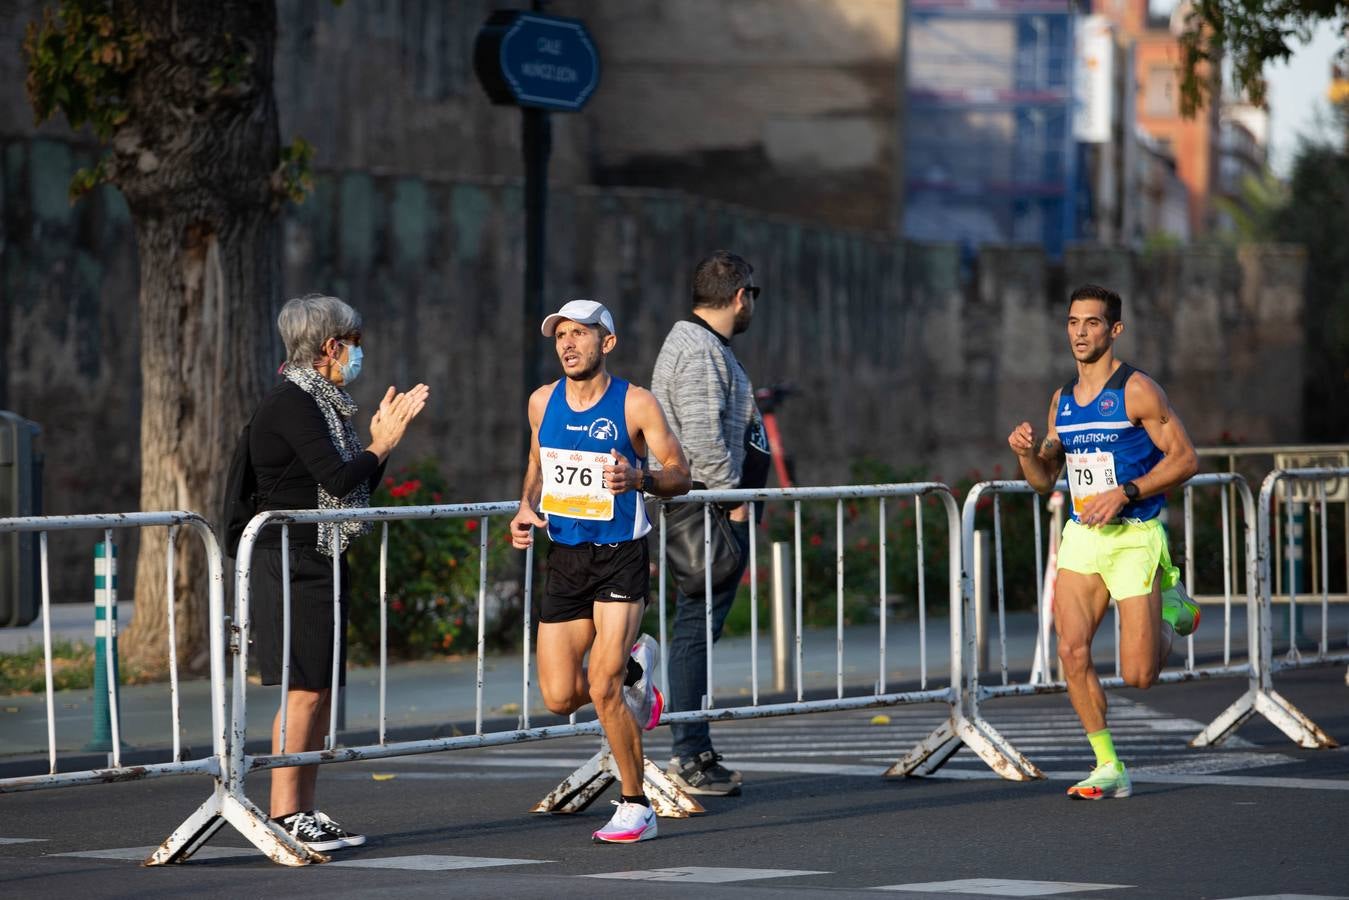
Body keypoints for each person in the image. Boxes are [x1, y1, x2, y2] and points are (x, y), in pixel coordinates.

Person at [249, 293, 429, 849]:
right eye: (355, 345)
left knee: (320, 689)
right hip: (291, 558)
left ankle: (304, 807)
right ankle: (284, 814)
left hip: (321, 554)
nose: (359, 355)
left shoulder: (325, 403)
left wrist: (379, 447)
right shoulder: (293, 402)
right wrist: (382, 443)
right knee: (304, 689)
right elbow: (337, 474)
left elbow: (353, 484)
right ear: (331, 347)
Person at [1008, 283, 1201, 801]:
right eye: (1073, 322)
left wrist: (1125, 492)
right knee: (1072, 652)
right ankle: (1108, 764)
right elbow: (1045, 479)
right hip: (1083, 538)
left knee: (1139, 677)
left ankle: (1170, 608)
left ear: (1113, 330)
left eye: (1091, 323)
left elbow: (1185, 459)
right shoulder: (1062, 400)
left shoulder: (1137, 390)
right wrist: (1026, 453)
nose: (1080, 332)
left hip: (1135, 537)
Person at [510, 299, 691, 844]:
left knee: (602, 685)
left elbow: (680, 474)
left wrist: (639, 480)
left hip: (619, 553)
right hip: (565, 555)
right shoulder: (542, 401)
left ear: (605, 344)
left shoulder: (636, 403)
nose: (567, 344)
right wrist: (524, 506)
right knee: (560, 697)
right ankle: (639, 671)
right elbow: (538, 461)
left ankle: (636, 805)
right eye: (560, 335)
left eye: (580, 334)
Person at [650, 251, 770, 796]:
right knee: (694, 630)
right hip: (707, 512)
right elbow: (700, 438)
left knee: (698, 628)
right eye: (754, 296)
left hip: (710, 510)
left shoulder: (702, 345)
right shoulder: (698, 351)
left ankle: (694, 746)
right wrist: (734, 501)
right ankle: (690, 754)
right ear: (740, 295)